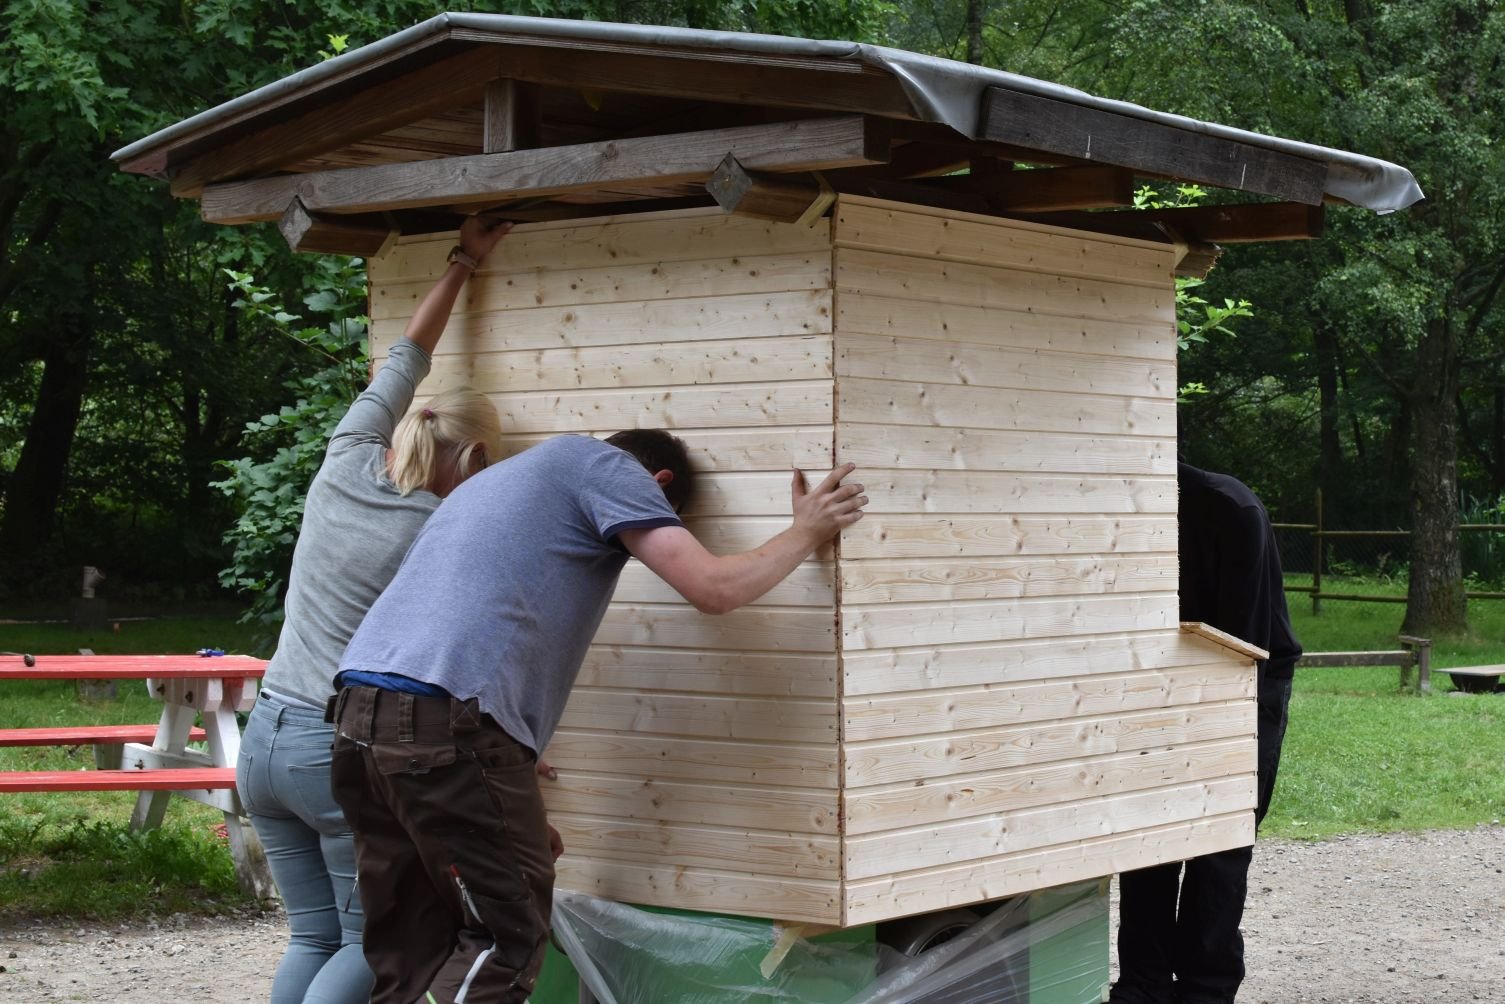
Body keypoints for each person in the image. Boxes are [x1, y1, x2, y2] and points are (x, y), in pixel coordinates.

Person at [327, 430, 868, 1004]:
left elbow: (457, 638)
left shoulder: (498, 484)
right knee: (506, 942)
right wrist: (806, 530)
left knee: (412, 943)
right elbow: (714, 588)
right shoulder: (607, 467)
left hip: (359, 717)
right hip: (441, 725)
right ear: (657, 484)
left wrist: (507, 807)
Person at [234, 215, 510, 1004]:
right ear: (476, 458)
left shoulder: (345, 456)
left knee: (312, 937)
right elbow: (456, 653)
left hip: (264, 741)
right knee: (373, 943)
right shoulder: (440, 533)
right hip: (332, 752)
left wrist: (461, 262)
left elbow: (406, 356)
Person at [1110, 461, 1303, 1004]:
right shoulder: (1119, 509)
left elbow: (1243, 641)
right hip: (1155, 679)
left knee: (1221, 838)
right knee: (1148, 836)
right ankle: (1144, 984)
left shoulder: (1231, 509)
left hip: (1246, 674)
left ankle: (1207, 988)